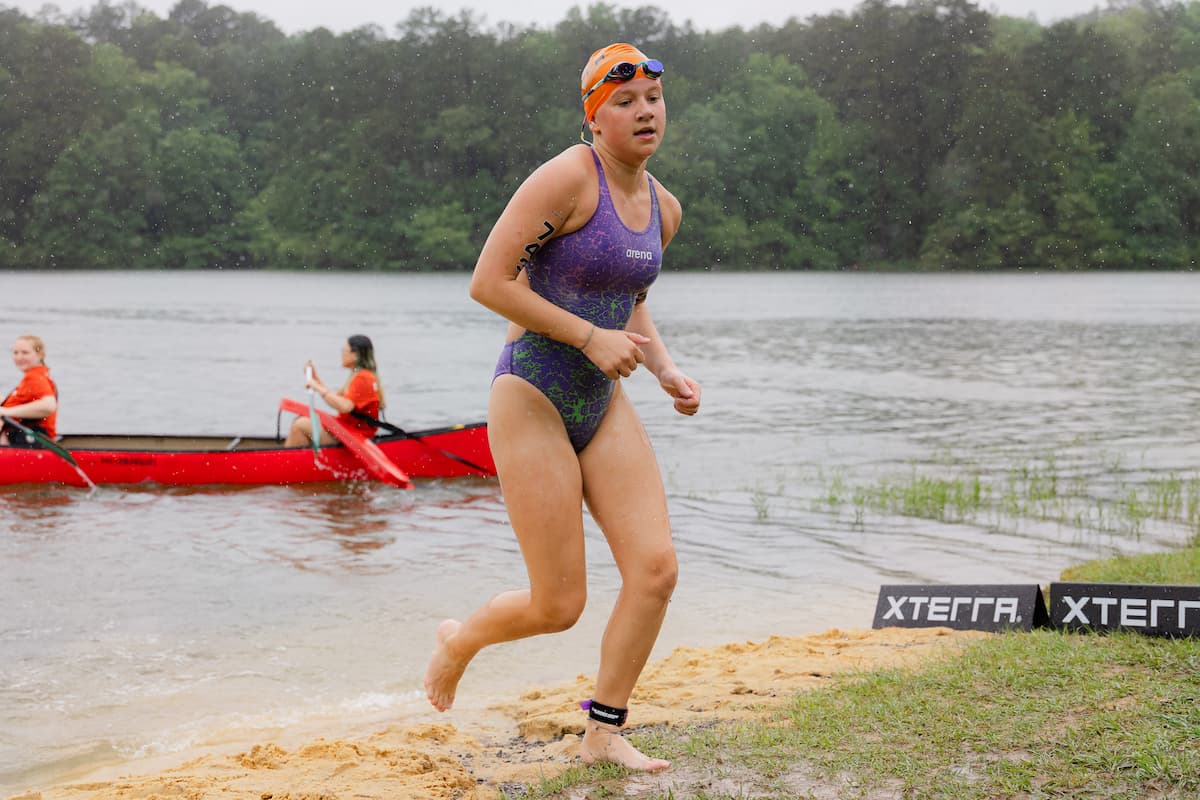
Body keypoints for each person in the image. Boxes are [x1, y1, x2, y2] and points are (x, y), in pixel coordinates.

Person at [423, 43, 701, 772]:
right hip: (533, 392)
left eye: (653, 99)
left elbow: (630, 302)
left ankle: (603, 733)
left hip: (601, 400)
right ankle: (459, 641)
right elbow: (489, 282)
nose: (644, 112)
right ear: (594, 118)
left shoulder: (664, 209)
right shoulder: (568, 178)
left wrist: (666, 369)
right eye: (624, 101)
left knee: (655, 572)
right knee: (558, 606)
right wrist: (585, 335)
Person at [284, 334, 383, 446]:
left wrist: (316, 387)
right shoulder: (360, 375)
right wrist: (316, 380)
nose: (342, 354)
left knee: (300, 425)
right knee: (302, 421)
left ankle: (287, 456)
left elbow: (345, 407)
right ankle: (301, 454)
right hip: (349, 431)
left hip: (355, 437)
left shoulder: (363, 377)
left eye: (344, 350)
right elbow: (336, 400)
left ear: (355, 355)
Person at [1, 335, 59, 447]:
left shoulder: (34, 377)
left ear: (40, 354)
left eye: (25, 353)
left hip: (32, 440)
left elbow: (48, 405)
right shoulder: (39, 374)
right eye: (15, 352)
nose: (19, 357)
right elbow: (21, 401)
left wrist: (6, 411)